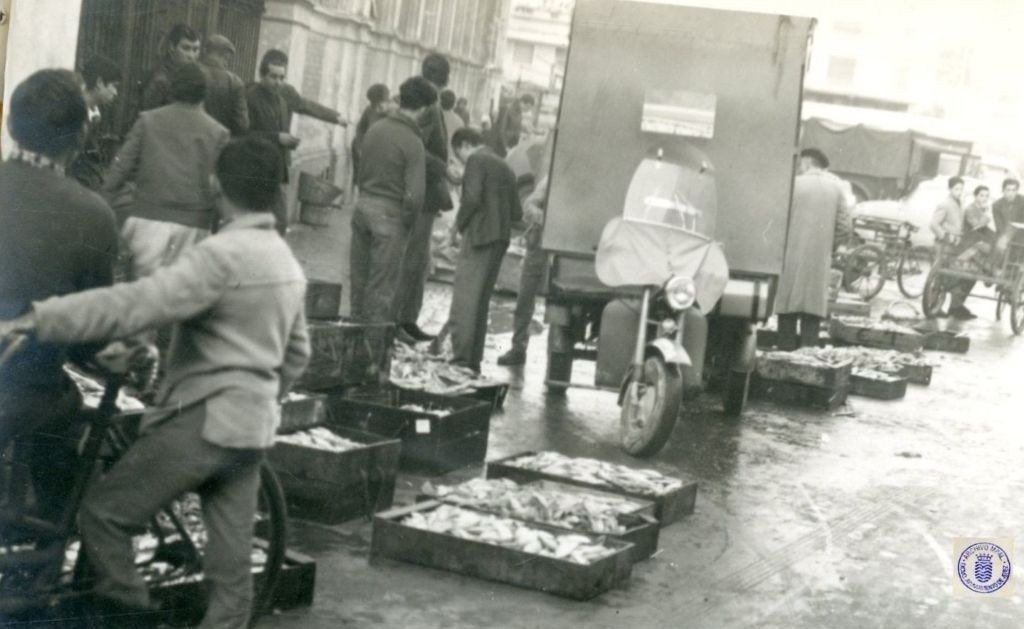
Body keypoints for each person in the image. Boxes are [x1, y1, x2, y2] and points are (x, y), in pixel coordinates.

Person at [0, 136, 311, 627]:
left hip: (203, 422)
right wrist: (258, 397)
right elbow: (297, 355)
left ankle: (131, 616)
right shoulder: (287, 265)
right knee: (232, 577)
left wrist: (40, 317)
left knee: (103, 514)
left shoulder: (221, 256)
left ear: (215, 186)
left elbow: (137, 302)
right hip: (251, 431)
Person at [0, 70, 119, 522]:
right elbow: (91, 339)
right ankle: (56, 534)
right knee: (65, 418)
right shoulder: (92, 215)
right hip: (28, 391)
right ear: (78, 136)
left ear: (12, 124)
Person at [104, 62, 229, 279]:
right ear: (204, 92)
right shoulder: (218, 133)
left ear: (172, 88)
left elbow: (119, 170)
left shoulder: (147, 120)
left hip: (147, 220)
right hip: (194, 226)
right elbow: (222, 189)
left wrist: (100, 204)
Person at [349, 77, 434, 324]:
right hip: (390, 215)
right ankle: (372, 356)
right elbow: (415, 195)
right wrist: (407, 224)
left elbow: (361, 165)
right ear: (423, 108)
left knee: (359, 281)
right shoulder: (413, 142)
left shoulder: (375, 129)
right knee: (381, 288)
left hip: (363, 206)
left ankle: (352, 344)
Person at [246, 48, 346, 233]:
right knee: (257, 223)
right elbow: (243, 133)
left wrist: (335, 117)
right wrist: (277, 138)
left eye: (281, 77)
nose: (278, 82)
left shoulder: (286, 93)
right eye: (273, 77)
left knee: (279, 223)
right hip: (255, 168)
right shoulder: (250, 97)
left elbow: (306, 105)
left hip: (277, 168)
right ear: (262, 74)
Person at [391, 53, 454, 344]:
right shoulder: (429, 106)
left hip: (426, 194)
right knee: (412, 260)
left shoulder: (431, 103)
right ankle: (399, 322)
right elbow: (416, 146)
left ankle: (407, 319)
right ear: (442, 82)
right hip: (422, 192)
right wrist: (445, 169)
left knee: (419, 260)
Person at [448, 128, 522, 372]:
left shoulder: (476, 160)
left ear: (464, 145)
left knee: (465, 300)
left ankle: (460, 360)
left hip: (478, 236)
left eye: (458, 154)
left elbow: (471, 198)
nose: (460, 160)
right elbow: (517, 213)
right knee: (480, 301)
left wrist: (457, 226)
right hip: (499, 239)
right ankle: (473, 361)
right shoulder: (505, 165)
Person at [775, 148, 852, 350]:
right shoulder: (836, 189)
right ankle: (807, 357)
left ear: (807, 162)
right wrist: (827, 245)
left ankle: (784, 357)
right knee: (812, 312)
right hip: (819, 261)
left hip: (790, 258)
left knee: (787, 309)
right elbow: (845, 227)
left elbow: (777, 221)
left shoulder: (793, 184)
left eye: (802, 163)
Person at [498, 174, 549, 366]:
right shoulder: (553, 177)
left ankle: (519, 348)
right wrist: (548, 220)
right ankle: (518, 347)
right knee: (525, 298)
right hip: (540, 244)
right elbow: (529, 205)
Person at [68, 54, 121, 190]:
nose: (116, 93)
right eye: (114, 86)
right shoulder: (73, 112)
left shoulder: (95, 115)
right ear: (99, 83)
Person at [930, 176, 976, 319]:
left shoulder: (959, 204)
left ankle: (944, 306)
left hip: (954, 246)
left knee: (949, 275)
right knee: (938, 276)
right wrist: (944, 235)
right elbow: (933, 224)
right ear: (950, 189)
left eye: (961, 189)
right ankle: (933, 306)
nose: (959, 191)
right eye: (956, 188)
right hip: (943, 245)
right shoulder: (945, 204)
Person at [142, 23, 201, 111]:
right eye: (186, 48)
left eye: (195, 49)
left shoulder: (193, 75)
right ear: (171, 47)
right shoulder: (160, 80)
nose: (191, 56)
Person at [201, 34, 249, 135]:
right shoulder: (235, 82)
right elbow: (242, 125)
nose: (227, 64)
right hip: (220, 144)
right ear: (225, 56)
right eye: (227, 60)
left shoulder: (187, 73)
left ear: (205, 51)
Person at [352, 83, 391, 180]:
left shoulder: (398, 114)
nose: (376, 109)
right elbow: (361, 129)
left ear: (387, 101)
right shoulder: (369, 110)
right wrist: (360, 148)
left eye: (380, 106)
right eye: (373, 105)